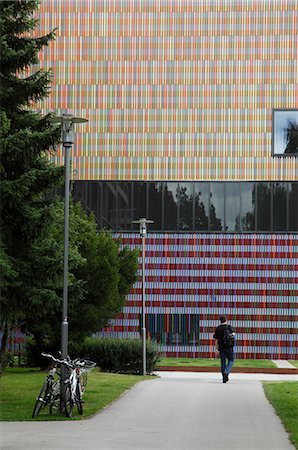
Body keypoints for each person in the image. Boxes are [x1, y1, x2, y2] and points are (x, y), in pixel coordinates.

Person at [213, 315, 235, 383]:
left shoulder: (218, 328)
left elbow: (216, 340)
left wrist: (216, 349)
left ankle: (224, 379)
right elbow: (233, 334)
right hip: (229, 348)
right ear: (226, 320)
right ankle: (226, 372)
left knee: (223, 363)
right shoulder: (229, 327)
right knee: (231, 360)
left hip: (221, 348)